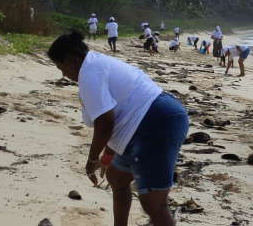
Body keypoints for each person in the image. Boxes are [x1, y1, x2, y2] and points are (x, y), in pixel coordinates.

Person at [47, 30, 189, 226]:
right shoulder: (93, 65)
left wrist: (92, 160)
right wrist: (107, 154)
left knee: (153, 203)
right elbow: (120, 112)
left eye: (59, 67)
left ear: (69, 60)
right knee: (117, 176)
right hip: (145, 124)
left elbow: (105, 122)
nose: (63, 73)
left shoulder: (90, 73)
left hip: (154, 123)